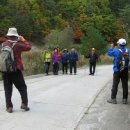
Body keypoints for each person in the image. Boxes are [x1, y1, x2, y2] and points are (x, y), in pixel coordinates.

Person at [0, 27, 31, 113]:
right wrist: (23, 39)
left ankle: (9, 107)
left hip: (5, 70)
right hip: (15, 69)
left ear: (9, 35)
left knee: (7, 89)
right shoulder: (18, 44)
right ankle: (24, 104)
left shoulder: (2, 45)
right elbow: (28, 47)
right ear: (15, 35)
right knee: (22, 87)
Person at [107, 38, 129, 104]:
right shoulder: (128, 51)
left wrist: (111, 47)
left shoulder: (116, 51)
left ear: (119, 44)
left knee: (115, 85)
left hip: (117, 70)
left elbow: (109, 53)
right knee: (125, 85)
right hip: (125, 70)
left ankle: (113, 99)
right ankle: (125, 99)